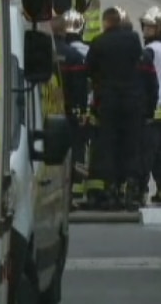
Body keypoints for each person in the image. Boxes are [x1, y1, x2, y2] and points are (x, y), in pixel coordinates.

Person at [86, 7, 146, 210]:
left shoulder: (99, 42)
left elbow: (89, 69)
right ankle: (130, 187)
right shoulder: (133, 39)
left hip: (109, 101)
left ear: (105, 22)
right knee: (131, 144)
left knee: (108, 145)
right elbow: (138, 63)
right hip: (132, 101)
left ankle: (109, 188)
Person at [53, 12, 90, 208]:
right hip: (68, 114)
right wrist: (80, 111)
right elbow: (79, 88)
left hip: (47, 113)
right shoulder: (73, 56)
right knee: (75, 150)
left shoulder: (42, 52)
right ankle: (74, 191)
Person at [139, 6, 161, 205]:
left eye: (149, 27)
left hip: (154, 108)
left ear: (158, 29)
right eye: (145, 26)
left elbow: (145, 79)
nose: (145, 30)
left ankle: (141, 191)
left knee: (146, 152)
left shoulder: (150, 51)